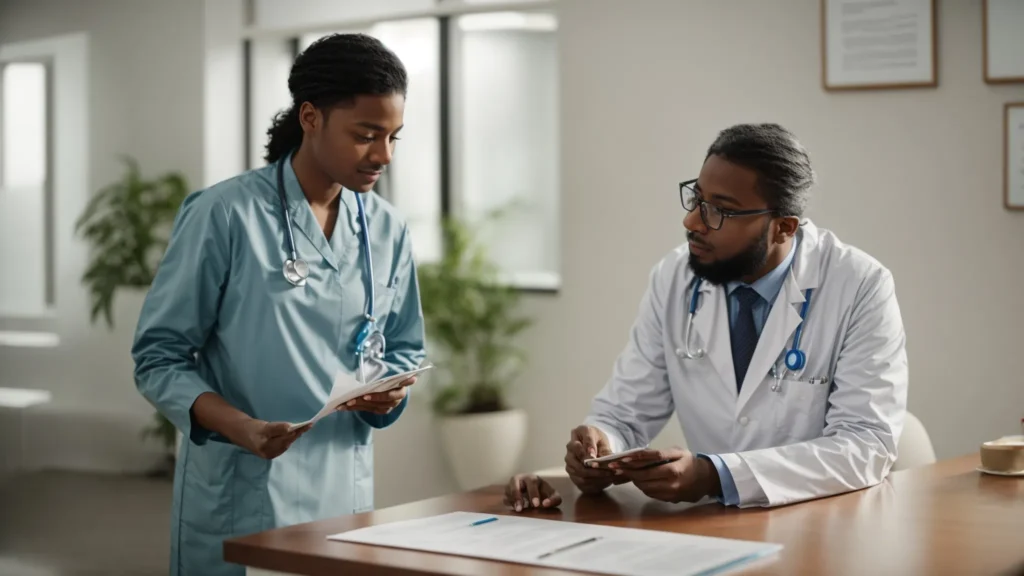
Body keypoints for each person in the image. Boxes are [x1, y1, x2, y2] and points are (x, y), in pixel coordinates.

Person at [131, 34, 426, 576]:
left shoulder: (386, 228)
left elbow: (405, 348)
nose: (382, 155)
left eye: (393, 137)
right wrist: (241, 427)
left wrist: (391, 392)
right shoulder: (224, 215)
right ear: (311, 117)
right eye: (365, 135)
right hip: (243, 487)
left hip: (344, 492)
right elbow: (158, 358)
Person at [504, 123, 908, 512]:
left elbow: (866, 445)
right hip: (714, 526)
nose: (692, 222)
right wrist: (600, 448)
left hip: (822, 526)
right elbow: (623, 414)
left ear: (783, 227)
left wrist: (715, 476)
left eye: (720, 211)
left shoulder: (859, 286)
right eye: (696, 199)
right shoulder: (675, 277)